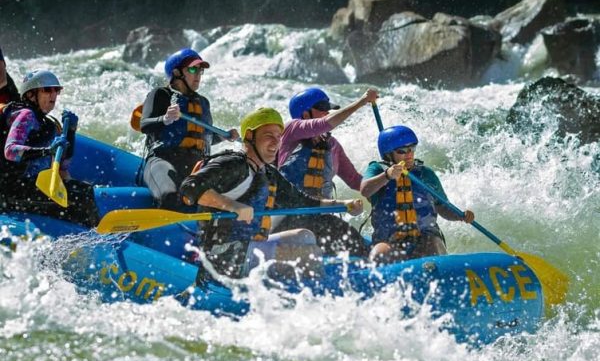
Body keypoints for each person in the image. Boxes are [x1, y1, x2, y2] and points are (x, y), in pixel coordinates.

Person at [180, 107, 363, 280]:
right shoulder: (232, 164)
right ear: (250, 136)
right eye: (268, 136)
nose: (276, 142)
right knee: (305, 252)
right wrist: (232, 205)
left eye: (278, 136)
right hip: (223, 256)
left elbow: (302, 202)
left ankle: (297, 286)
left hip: (249, 250)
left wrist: (344, 205)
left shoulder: (268, 173)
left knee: (305, 236)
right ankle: (317, 296)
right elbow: (189, 188)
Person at [274, 87, 379, 256]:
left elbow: (356, 181)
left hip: (319, 216)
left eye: (328, 108)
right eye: (322, 107)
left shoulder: (333, 146)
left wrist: (386, 180)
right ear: (305, 114)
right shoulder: (291, 130)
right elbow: (325, 123)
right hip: (286, 216)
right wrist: (361, 102)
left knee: (359, 249)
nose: (327, 112)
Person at [140, 47, 239, 209]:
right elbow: (144, 125)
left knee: (223, 200)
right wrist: (165, 119)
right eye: (193, 69)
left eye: (200, 71)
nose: (198, 75)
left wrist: (222, 137)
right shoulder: (161, 94)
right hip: (163, 161)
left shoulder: (203, 103)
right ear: (177, 73)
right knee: (170, 196)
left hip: (195, 166)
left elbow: (202, 138)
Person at [360, 125, 474, 263]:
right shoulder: (378, 169)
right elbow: (365, 190)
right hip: (389, 240)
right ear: (388, 154)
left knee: (433, 246)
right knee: (379, 254)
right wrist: (386, 176)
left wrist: (461, 216)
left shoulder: (426, 174)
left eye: (412, 148)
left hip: (425, 237)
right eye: (402, 151)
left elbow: (443, 208)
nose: (408, 154)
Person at [0, 70, 99, 226]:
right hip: (10, 191)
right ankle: (93, 236)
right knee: (81, 198)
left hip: (32, 186)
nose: (53, 94)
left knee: (84, 191)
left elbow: (63, 166)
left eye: (56, 90)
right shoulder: (26, 116)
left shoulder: (49, 125)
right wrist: (46, 151)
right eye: (47, 90)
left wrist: (71, 133)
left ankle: (93, 232)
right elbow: (10, 151)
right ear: (31, 94)